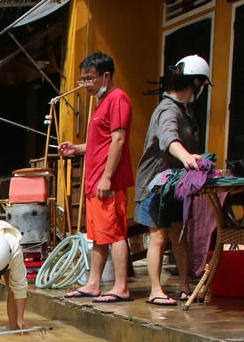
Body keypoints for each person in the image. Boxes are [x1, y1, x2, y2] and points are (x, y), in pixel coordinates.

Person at [134, 55, 210, 306]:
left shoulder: (186, 111)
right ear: (196, 82)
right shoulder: (167, 110)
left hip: (176, 183)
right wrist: (187, 157)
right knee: (159, 236)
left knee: (179, 235)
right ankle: (156, 290)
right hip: (155, 183)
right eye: (201, 85)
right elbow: (169, 141)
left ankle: (185, 287)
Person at [59, 51, 134, 303]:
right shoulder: (101, 104)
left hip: (107, 182)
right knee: (100, 235)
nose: (86, 84)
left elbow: (119, 139)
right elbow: (99, 142)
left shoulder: (118, 99)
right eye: (83, 79)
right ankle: (93, 284)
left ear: (106, 75)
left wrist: (107, 178)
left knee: (115, 233)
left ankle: (121, 287)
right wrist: (77, 149)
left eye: (90, 78)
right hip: (95, 182)